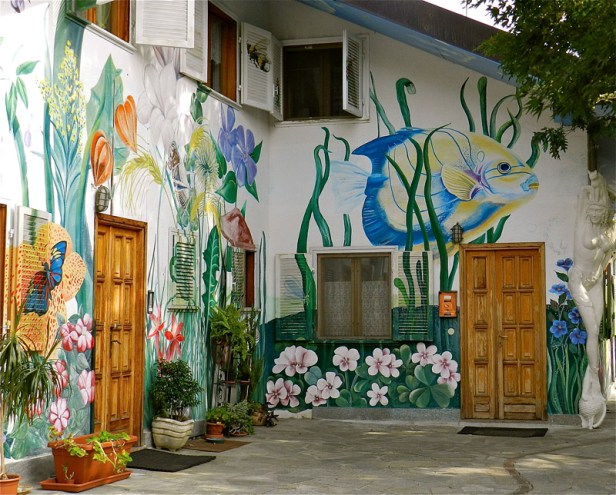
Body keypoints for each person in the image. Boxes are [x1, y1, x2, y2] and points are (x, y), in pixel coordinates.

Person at [568, 170, 616, 428]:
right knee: (593, 330)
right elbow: (584, 194)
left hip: (595, 281)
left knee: (595, 333)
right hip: (579, 280)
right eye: (594, 211)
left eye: (602, 213)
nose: (597, 215)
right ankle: (593, 376)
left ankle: (593, 380)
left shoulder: (607, 231)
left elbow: (607, 255)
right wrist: (595, 181)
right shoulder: (584, 226)